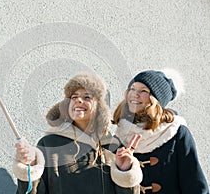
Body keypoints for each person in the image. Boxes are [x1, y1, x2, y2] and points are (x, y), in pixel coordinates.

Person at [13, 73, 143, 194]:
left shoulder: (114, 148)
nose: (78, 100)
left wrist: (125, 172)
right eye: (73, 97)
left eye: (87, 97)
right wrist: (29, 168)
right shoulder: (50, 144)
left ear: (101, 108)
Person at [111, 69, 209, 194]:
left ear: (155, 100)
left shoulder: (176, 133)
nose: (135, 94)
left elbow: (195, 185)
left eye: (143, 91)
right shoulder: (121, 135)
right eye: (132, 89)